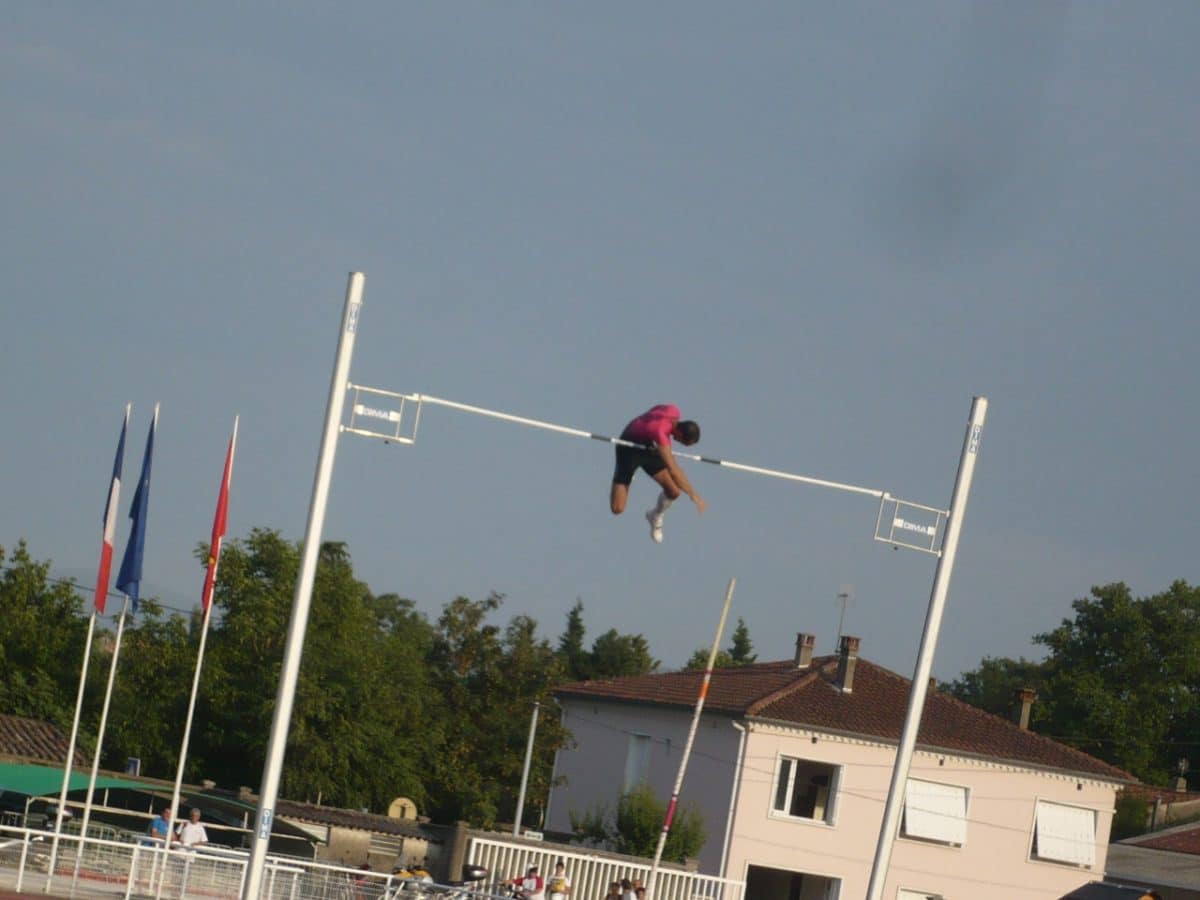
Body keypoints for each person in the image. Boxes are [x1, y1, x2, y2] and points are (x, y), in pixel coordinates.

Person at [610, 404, 705, 543]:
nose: (680, 444)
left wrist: (648, 434)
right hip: (628, 449)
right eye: (683, 442)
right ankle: (626, 475)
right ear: (679, 433)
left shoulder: (674, 410)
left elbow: (652, 412)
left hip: (649, 447)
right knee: (617, 508)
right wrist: (694, 495)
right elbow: (674, 471)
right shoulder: (661, 432)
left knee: (674, 492)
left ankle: (655, 516)